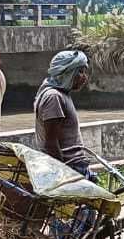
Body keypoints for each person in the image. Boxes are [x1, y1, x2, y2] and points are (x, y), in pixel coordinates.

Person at [35, 49, 93, 177]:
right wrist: (64, 174)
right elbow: (51, 142)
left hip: (76, 165)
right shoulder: (53, 97)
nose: (84, 77)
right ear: (68, 73)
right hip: (70, 166)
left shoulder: (62, 94)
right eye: (81, 72)